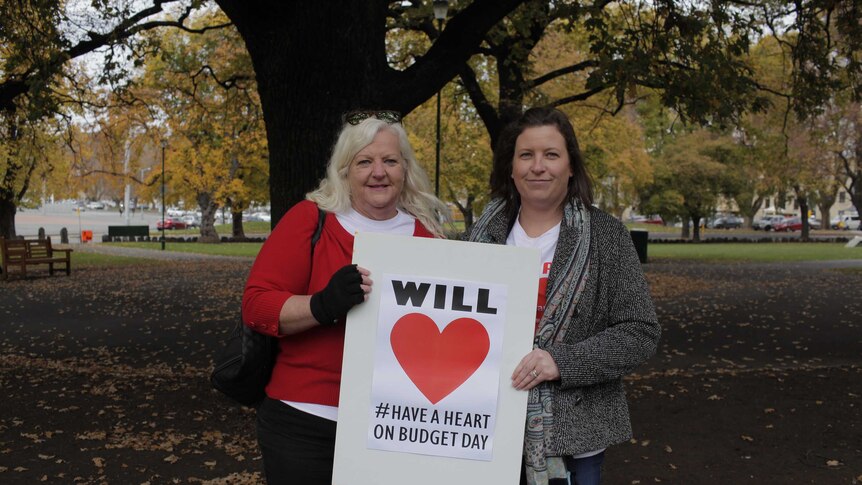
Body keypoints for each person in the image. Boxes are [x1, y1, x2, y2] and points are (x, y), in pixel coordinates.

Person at [242, 110, 449, 484]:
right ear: (344, 169)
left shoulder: (429, 237)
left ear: (405, 168)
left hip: (396, 427)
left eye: (390, 161)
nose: (378, 172)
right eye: (364, 162)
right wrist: (321, 305)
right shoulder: (311, 219)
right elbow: (257, 307)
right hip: (306, 421)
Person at [465, 107, 660, 485]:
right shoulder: (480, 236)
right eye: (526, 155)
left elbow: (640, 331)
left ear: (571, 166)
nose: (538, 166)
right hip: (485, 428)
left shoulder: (607, 237)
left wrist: (562, 361)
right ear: (511, 167)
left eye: (551, 155)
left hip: (573, 437)